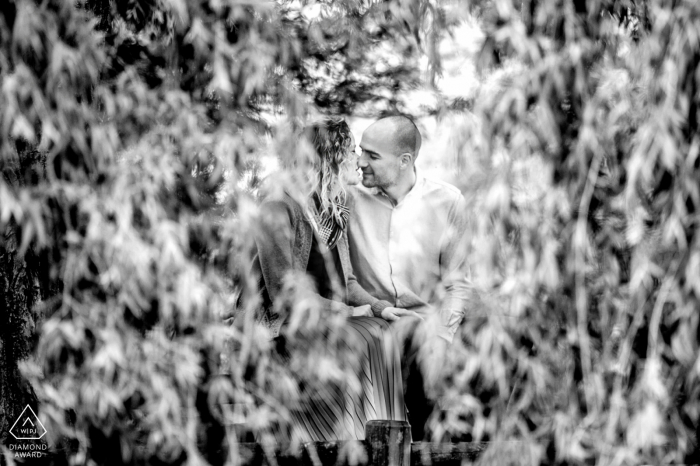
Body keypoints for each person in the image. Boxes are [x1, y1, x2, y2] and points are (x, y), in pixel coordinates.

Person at [250, 118, 406, 443]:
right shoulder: (278, 208)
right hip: (285, 331)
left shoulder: (335, 212)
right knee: (361, 337)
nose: (359, 161)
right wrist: (347, 314)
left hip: (327, 326)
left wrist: (378, 307)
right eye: (352, 152)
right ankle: (342, 441)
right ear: (331, 158)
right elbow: (285, 294)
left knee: (384, 331)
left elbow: (347, 282)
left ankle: (384, 444)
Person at [347, 115, 473, 440]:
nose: (360, 162)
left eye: (372, 156)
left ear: (404, 161)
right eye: (361, 152)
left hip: (424, 326)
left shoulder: (448, 202)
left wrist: (443, 337)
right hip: (369, 323)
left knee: (435, 391)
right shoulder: (348, 200)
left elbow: (457, 284)